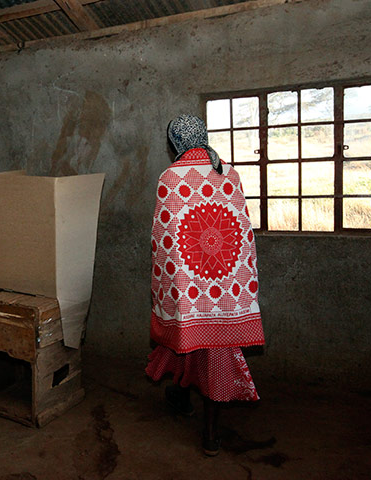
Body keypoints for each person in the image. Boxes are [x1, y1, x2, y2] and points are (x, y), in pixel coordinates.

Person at [145, 114, 265, 456]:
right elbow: (241, 234)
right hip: (225, 285)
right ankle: (193, 411)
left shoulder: (170, 177)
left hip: (188, 285)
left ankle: (203, 425)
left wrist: (170, 284)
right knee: (212, 350)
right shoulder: (230, 174)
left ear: (174, 145)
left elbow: (164, 240)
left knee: (191, 341)